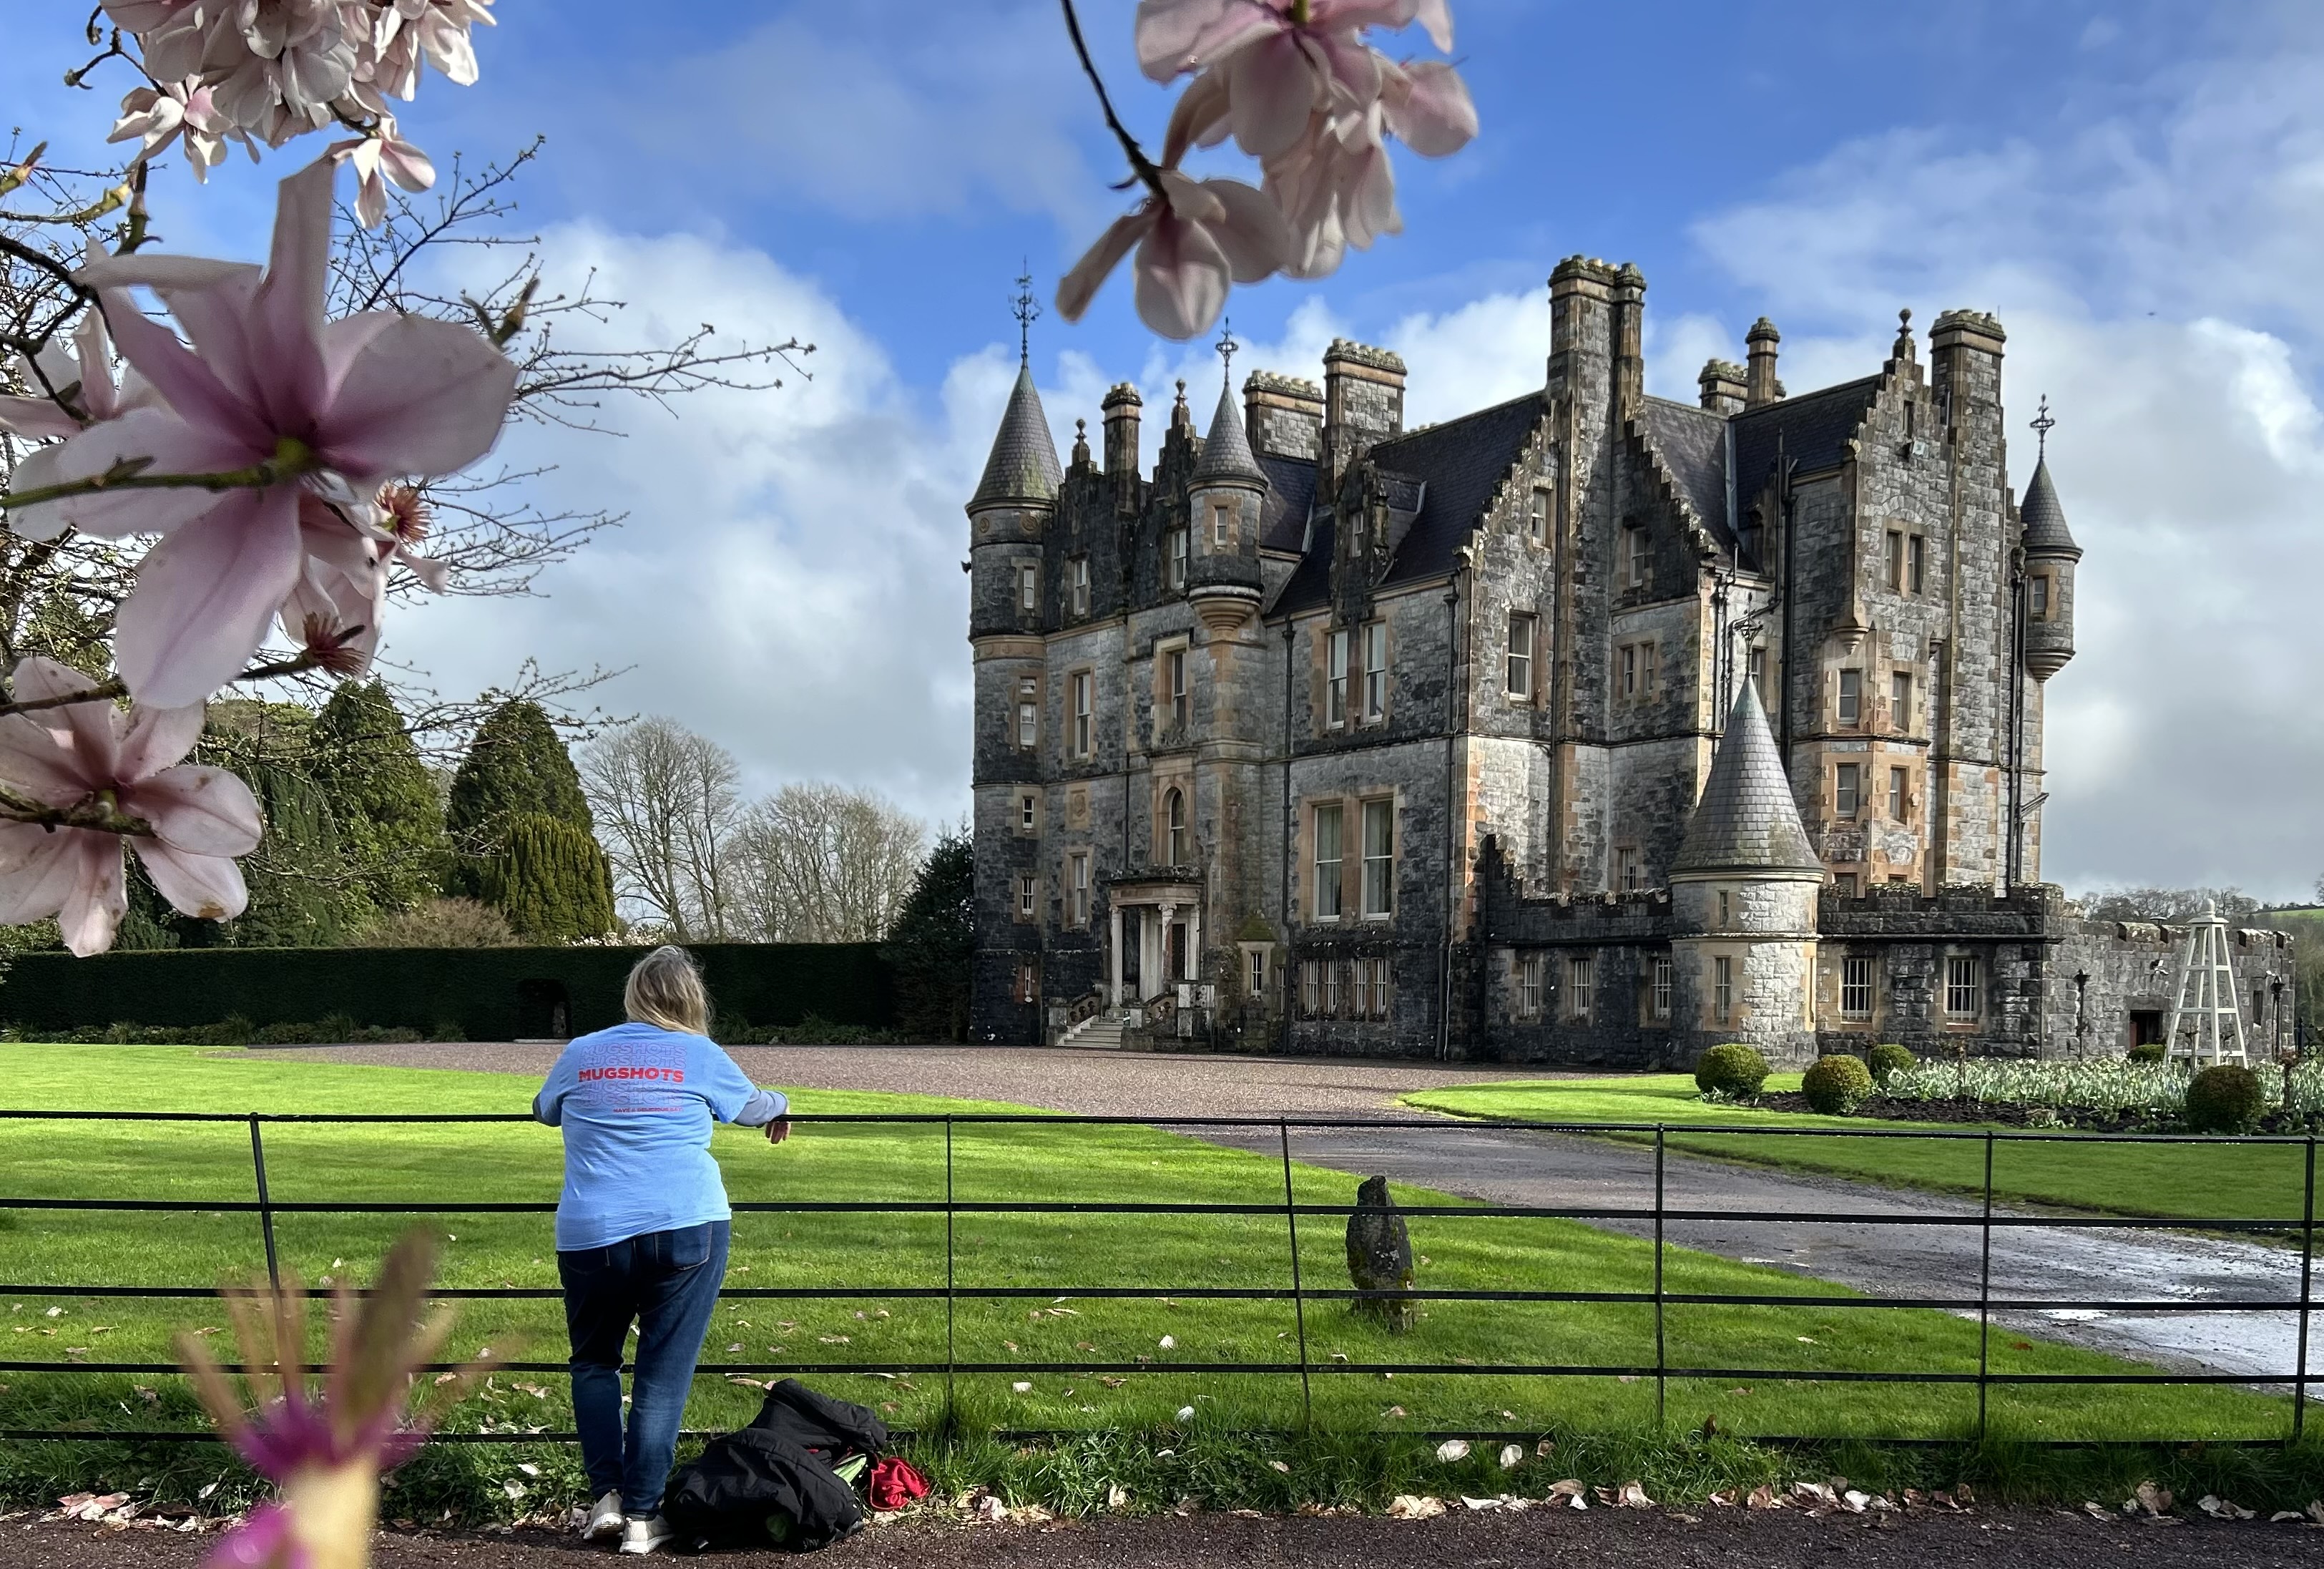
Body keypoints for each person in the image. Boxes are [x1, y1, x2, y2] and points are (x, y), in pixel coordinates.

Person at [534, 946, 792, 1555]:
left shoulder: (582, 1051)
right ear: (691, 999)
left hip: (591, 1230)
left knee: (594, 1362)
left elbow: (544, 1111)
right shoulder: (699, 1054)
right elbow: (750, 1106)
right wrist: (780, 1104)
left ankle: (606, 1498)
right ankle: (644, 1518)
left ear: (632, 994)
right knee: (661, 1373)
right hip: (686, 1224)